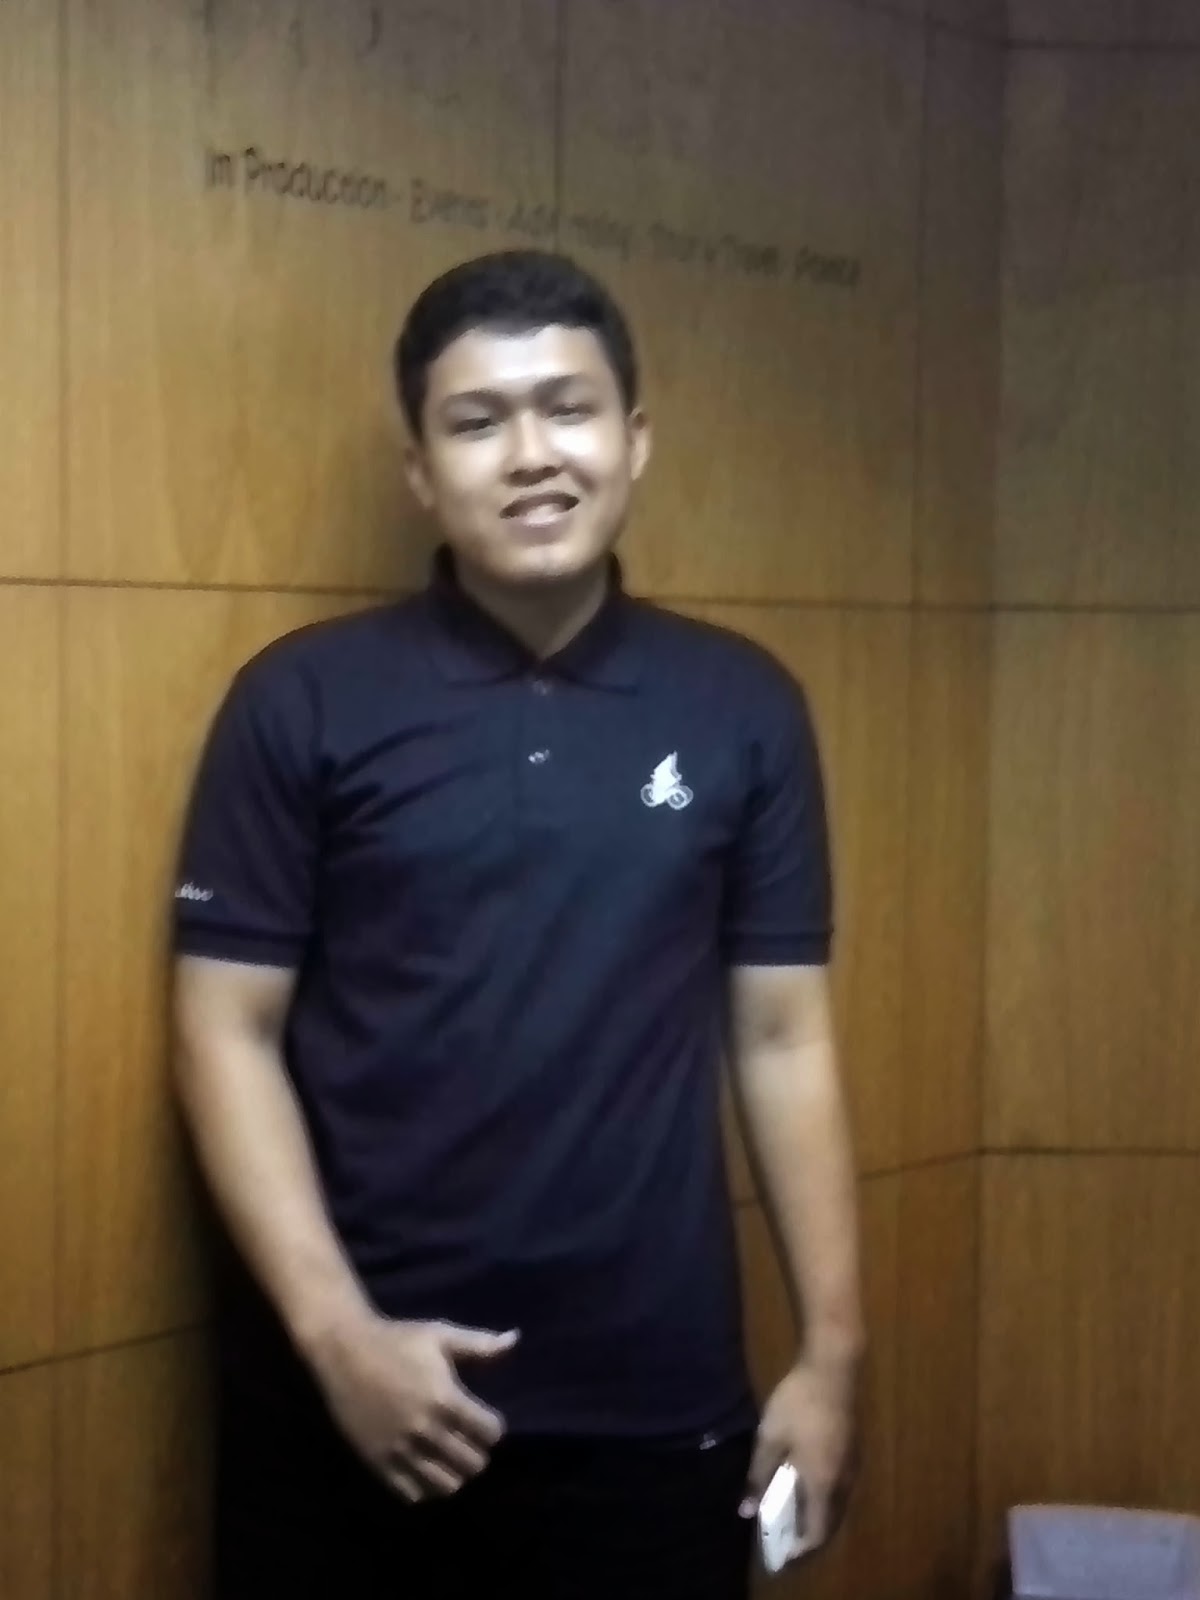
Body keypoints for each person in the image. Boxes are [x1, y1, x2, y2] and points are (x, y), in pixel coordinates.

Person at [172, 248, 863, 1600]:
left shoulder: (742, 707)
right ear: (422, 470)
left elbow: (783, 1039)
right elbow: (221, 1032)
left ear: (634, 438)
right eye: (479, 421)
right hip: (354, 1407)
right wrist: (336, 1335)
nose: (533, 454)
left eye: (569, 408)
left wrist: (833, 1357)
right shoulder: (301, 702)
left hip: (650, 1405)